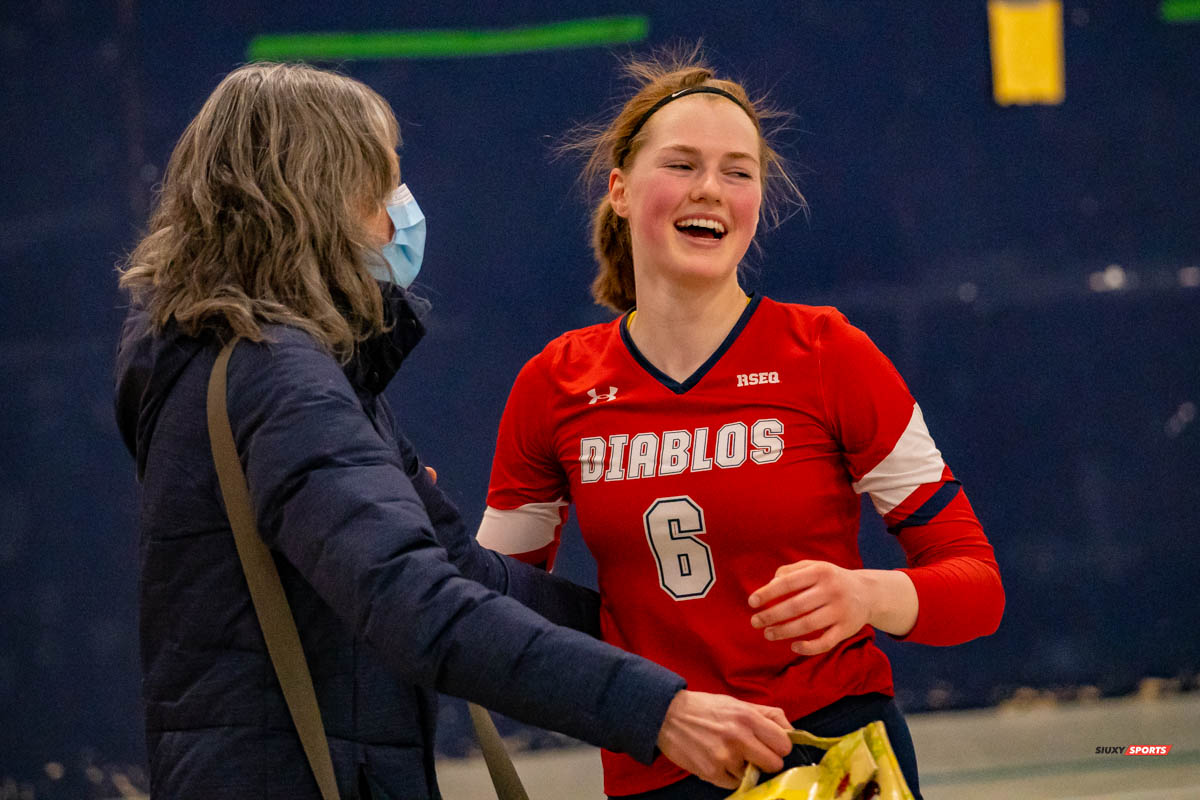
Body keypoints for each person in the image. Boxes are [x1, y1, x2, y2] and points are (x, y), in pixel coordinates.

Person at [113, 61, 796, 800]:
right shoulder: (281, 380)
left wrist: (671, 636)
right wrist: (657, 709)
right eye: (382, 190)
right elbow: (419, 603)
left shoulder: (251, 369)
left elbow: (468, 571)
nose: (398, 217)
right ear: (319, 201)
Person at [477, 49, 1006, 800]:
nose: (711, 191)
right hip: (658, 761)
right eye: (683, 164)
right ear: (620, 192)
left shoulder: (829, 353)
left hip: (832, 747)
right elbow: (494, 614)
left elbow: (978, 586)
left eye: (738, 170)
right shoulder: (555, 384)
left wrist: (867, 595)